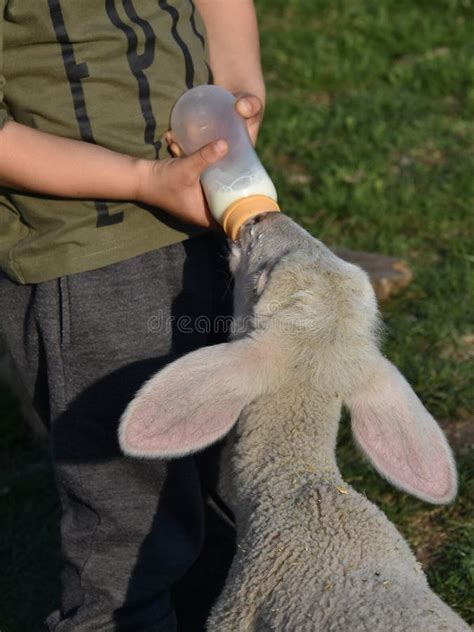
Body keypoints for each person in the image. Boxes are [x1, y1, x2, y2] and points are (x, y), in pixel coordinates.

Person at [0, 1, 266, 629]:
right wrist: (145, 178)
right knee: (131, 527)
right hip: (87, 264)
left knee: (227, 479)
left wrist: (240, 89)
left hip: (208, 228)